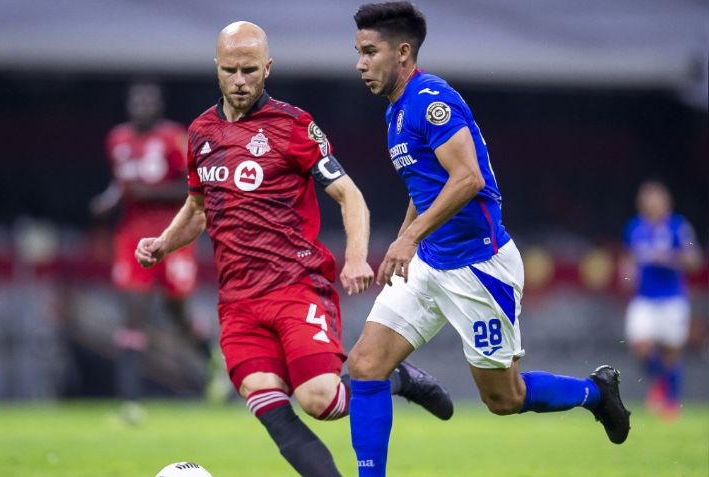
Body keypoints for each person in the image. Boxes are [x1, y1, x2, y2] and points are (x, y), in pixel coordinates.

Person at [136, 21, 452, 477]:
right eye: (231, 70)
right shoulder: (200, 133)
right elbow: (198, 207)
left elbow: (350, 195)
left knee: (320, 400)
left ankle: (398, 377)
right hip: (238, 300)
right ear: (217, 69)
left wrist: (357, 257)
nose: (240, 81)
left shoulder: (293, 125)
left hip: (295, 286)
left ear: (267, 68)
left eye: (249, 70)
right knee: (265, 397)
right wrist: (164, 242)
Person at [347, 3, 631, 475]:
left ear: (402, 52)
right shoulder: (395, 110)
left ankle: (595, 391)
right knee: (365, 364)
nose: (359, 63)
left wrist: (408, 238)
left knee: (504, 398)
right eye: (357, 52)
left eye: (369, 52)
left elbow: (468, 179)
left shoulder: (431, 99)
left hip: (478, 269)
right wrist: (405, 242)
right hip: (430, 264)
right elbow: (426, 186)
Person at [91, 81, 202, 422]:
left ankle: (211, 358)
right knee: (132, 314)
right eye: (135, 102)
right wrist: (107, 202)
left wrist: (147, 193)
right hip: (131, 238)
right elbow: (120, 184)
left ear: (158, 106)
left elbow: (195, 188)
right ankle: (130, 402)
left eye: (147, 102)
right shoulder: (117, 139)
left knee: (177, 313)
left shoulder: (173, 138)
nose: (141, 108)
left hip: (173, 236)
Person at [621, 180, 702, 420]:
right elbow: (628, 259)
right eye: (646, 198)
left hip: (672, 298)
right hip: (644, 298)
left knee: (671, 352)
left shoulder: (679, 227)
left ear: (666, 202)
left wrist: (669, 258)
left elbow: (694, 258)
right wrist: (627, 274)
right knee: (640, 346)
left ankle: (670, 404)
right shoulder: (634, 228)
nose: (651, 203)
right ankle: (663, 384)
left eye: (655, 198)